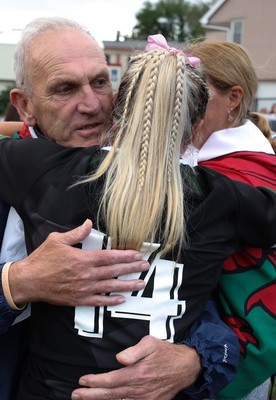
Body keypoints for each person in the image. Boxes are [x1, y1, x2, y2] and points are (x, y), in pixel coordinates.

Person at [0, 34, 276, 400]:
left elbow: (215, 305)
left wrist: (196, 359)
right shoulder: (219, 196)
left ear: (119, 104)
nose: (90, 105)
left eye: (100, 83)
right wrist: (16, 282)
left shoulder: (40, 169)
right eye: (65, 88)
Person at [183, 39, 276, 400]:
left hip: (232, 367)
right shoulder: (247, 162)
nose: (181, 107)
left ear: (232, 98)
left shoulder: (229, 178)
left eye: (194, 95)